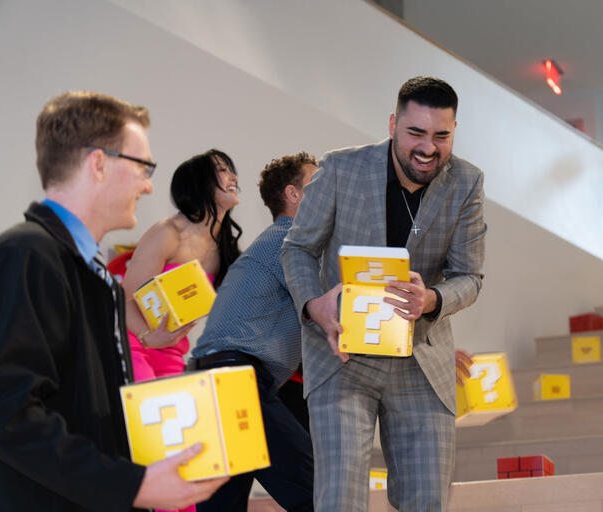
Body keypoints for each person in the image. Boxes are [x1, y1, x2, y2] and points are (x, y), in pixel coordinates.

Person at [0, 91, 227, 510]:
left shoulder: (91, 271)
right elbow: (10, 414)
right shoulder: (29, 254)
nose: (149, 184)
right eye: (142, 166)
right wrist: (130, 485)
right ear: (98, 163)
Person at [281, 76, 487, 511]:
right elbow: (298, 248)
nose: (428, 148)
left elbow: (470, 276)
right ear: (393, 124)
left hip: (422, 365)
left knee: (426, 500)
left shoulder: (467, 182)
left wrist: (430, 299)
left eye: (441, 136)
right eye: (415, 133)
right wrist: (315, 306)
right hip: (342, 361)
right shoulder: (340, 168)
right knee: (340, 500)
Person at [189, 152, 317, 512]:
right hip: (236, 380)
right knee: (322, 494)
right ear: (293, 194)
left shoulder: (274, 242)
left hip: (210, 381)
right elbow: (341, 309)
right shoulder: (294, 242)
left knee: (222, 506)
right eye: (317, 184)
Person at [122, 149, 242, 382]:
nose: (234, 177)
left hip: (172, 353)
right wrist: (148, 338)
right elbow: (123, 298)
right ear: (199, 183)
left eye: (231, 171)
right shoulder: (167, 233)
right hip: (135, 346)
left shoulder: (223, 249)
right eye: (222, 170)